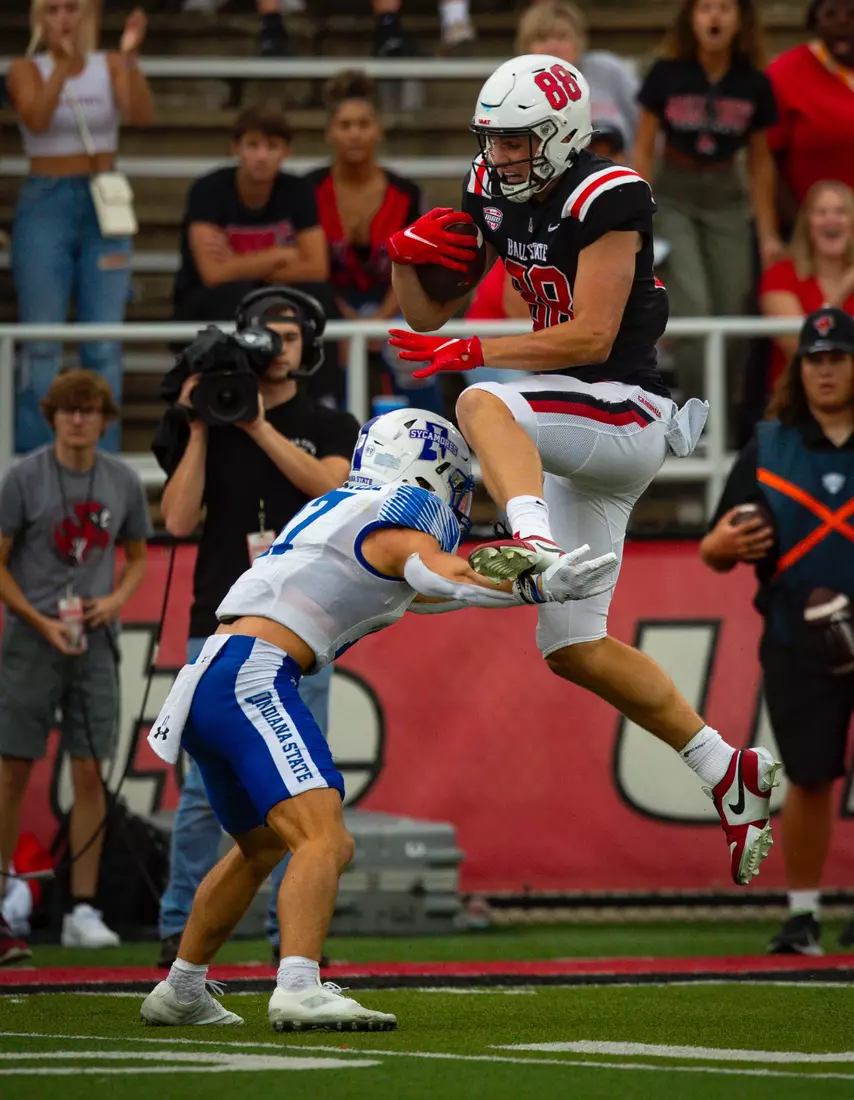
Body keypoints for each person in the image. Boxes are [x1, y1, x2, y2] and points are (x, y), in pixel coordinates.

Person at [387, 53, 781, 887]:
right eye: (492, 142)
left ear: (561, 132)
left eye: (517, 141)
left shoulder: (609, 194)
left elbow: (592, 338)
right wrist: (405, 259)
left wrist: (474, 349)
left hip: (625, 408)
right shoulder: (492, 186)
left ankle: (527, 539)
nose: (499, 159)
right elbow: (426, 312)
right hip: (572, 428)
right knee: (572, 646)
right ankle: (725, 768)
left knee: (482, 403)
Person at [139, 408, 615, 1029]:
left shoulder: (342, 506)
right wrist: (541, 581)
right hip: (254, 672)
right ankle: (300, 984)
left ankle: (181, 988)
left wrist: (523, 585)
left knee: (259, 846)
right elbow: (436, 571)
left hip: (214, 671)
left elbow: (417, 590)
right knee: (325, 838)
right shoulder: (405, 510)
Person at [152, 287, 360, 968]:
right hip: (219, 620)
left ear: (309, 347)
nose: (279, 347)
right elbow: (177, 521)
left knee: (305, 789)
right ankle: (177, 930)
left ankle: (291, 939)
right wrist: (205, 420)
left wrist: (256, 422)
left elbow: (331, 491)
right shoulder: (208, 420)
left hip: (302, 630)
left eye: (291, 336)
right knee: (199, 798)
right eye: (267, 335)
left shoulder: (330, 423)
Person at [700, 307, 854, 955]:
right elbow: (712, 547)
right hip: (799, 635)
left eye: (838, 358)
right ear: (800, 368)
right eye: (814, 359)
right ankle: (804, 913)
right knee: (812, 775)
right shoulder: (769, 444)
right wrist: (727, 542)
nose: (825, 370)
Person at [0, 369, 151, 960]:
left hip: (94, 636)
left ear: (106, 419)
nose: (79, 419)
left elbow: (138, 554)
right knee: (13, 769)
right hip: (32, 639)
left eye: (89, 410)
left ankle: (83, 908)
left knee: (90, 771)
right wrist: (37, 621)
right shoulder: (23, 477)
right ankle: (6, 892)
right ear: (52, 417)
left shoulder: (121, 480)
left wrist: (113, 602)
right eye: (68, 410)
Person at [8, 0, 155, 454]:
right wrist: (62, 68)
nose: (64, 19)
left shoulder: (108, 63)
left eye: (72, 8)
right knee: (42, 342)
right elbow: (36, 117)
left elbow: (141, 116)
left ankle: (102, 453)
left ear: (88, 15)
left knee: (103, 342)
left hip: (102, 199)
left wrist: (129, 61)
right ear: (40, 19)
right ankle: (37, 455)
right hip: (45, 200)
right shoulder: (25, 68)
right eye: (52, 10)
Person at [631, 0, 782, 395]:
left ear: (741, 21)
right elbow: (645, 146)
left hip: (729, 198)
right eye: (705, 9)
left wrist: (767, 234)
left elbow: (761, 163)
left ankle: (726, 426)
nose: (714, 17)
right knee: (694, 306)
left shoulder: (755, 83)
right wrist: (638, 209)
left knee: (733, 308)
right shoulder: (666, 73)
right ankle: (698, 417)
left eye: (725, 9)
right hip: (674, 194)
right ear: (691, 19)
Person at [306, 70, 443, 414]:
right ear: (329, 132)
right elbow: (306, 268)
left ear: (378, 130)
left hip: (394, 304)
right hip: (327, 308)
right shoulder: (307, 191)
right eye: (345, 125)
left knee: (413, 350)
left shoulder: (406, 194)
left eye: (364, 124)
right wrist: (345, 319)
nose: (354, 134)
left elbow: (417, 267)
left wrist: (378, 321)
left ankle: (428, 435)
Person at [171, 104, 330, 325]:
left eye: (272, 146)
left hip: (273, 292)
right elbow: (213, 274)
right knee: (236, 294)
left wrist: (238, 265)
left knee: (319, 296)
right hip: (207, 302)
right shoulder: (208, 190)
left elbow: (317, 268)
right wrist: (280, 256)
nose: (261, 156)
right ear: (235, 148)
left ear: (287, 152)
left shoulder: (298, 190)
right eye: (252, 145)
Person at [517, 0, 641, 159]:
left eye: (561, 37)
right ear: (526, 46)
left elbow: (646, 127)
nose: (552, 46)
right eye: (542, 39)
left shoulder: (608, 70)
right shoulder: (517, 86)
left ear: (578, 41)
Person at [766, 0, 854, 224]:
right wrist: (801, 228)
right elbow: (766, 161)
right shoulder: (784, 74)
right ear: (815, 20)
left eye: (852, 13)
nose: (842, 24)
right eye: (831, 14)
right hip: (815, 231)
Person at [760, 181, 854, 391]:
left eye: (841, 212)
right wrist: (842, 291)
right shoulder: (781, 274)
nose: (831, 219)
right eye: (821, 212)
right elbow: (799, 347)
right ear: (807, 224)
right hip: (796, 402)